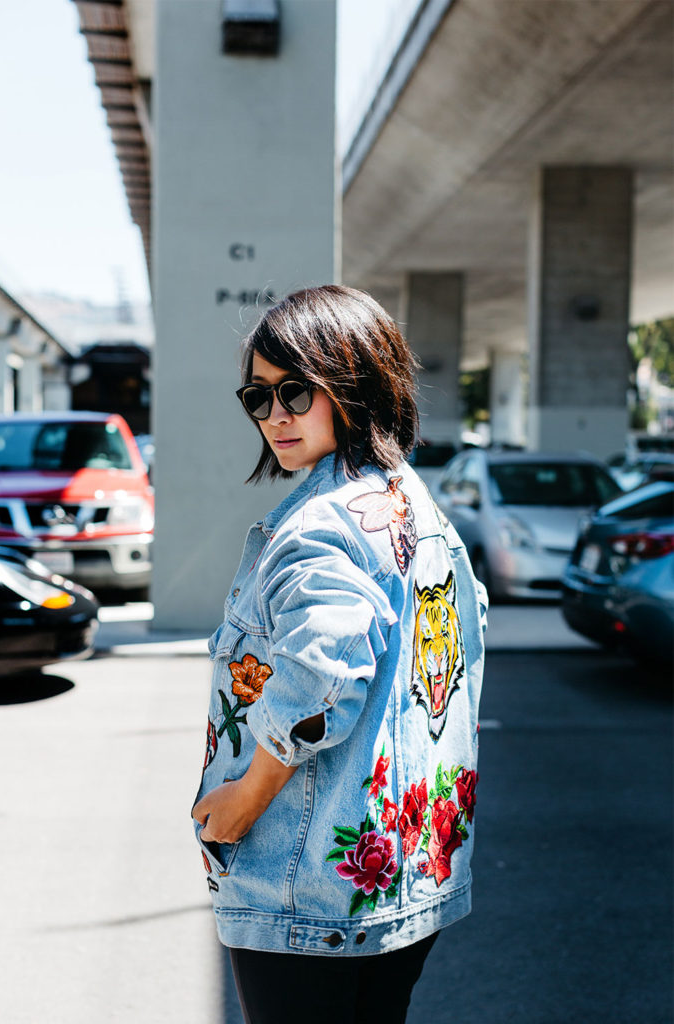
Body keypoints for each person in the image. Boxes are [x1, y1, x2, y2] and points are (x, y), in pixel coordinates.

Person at [191, 285, 487, 1024]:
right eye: (256, 398)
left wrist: (246, 797)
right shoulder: (413, 507)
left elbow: (323, 676)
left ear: (356, 382)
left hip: (306, 887)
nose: (275, 417)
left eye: (295, 391)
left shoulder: (319, 526)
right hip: (404, 876)